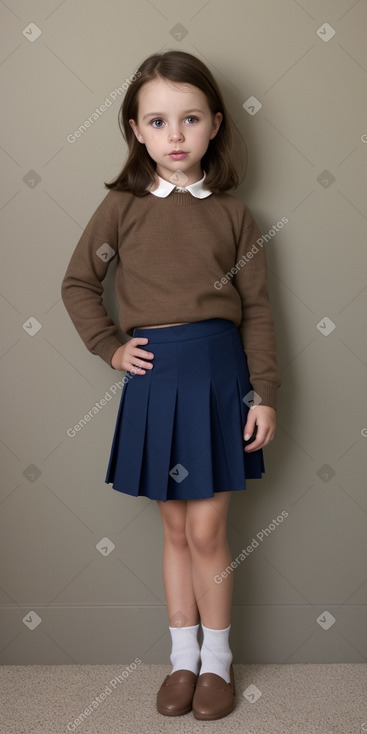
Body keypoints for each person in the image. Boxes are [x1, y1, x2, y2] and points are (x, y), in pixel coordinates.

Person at [61, 50, 281, 721]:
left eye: (189, 118)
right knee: (176, 530)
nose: (175, 134)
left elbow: (259, 311)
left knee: (210, 530)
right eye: (158, 121)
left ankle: (217, 661)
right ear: (135, 129)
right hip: (156, 382)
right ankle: (180, 659)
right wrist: (110, 347)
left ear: (214, 124)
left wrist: (263, 393)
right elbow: (78, 284)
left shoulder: (234, 216)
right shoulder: (120, 209)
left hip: (219, 380)